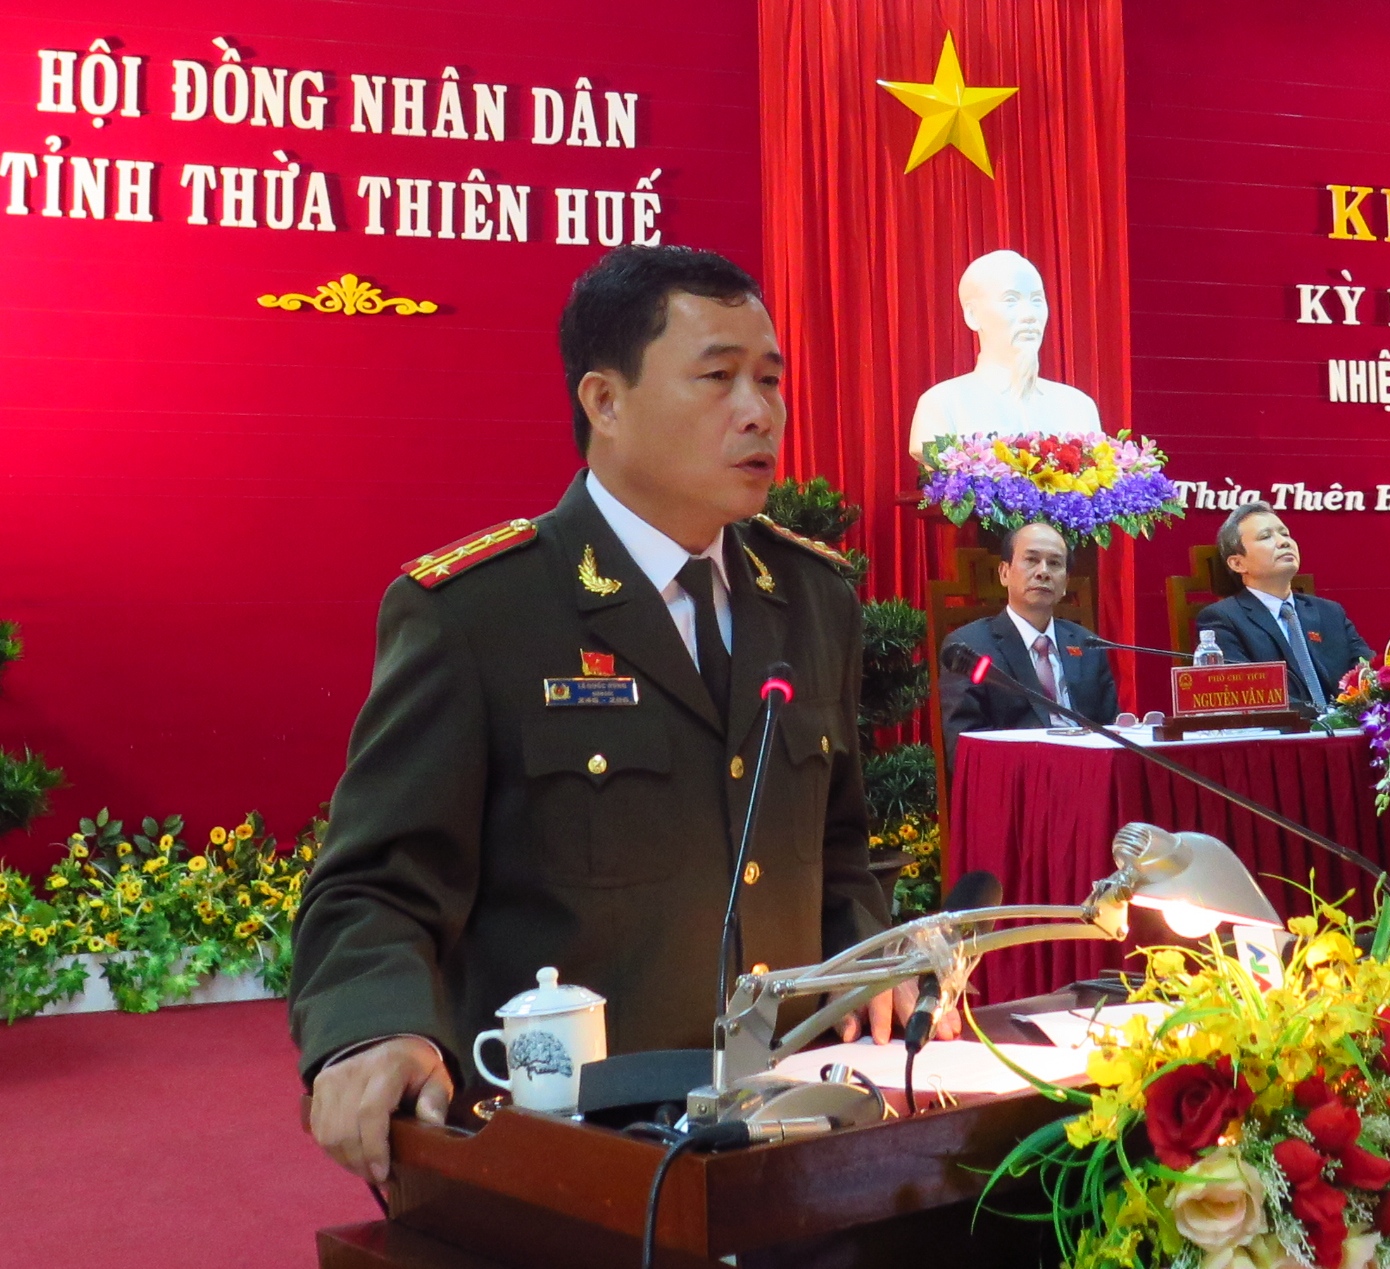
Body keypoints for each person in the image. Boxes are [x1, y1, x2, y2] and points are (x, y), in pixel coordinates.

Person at [290, 245, 956, 1187]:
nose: (760, 411)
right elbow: (374, 884)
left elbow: (835, 851)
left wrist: (871, 960)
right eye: (718, 377)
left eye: (770, 380)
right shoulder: (483, 613)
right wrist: (372, 1027)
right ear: (605, 401)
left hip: (790, 1132)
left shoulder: (812, 599)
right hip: (572, 1152)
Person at [939, 521, 1118, 764]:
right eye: (1031, 560)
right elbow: (964, 750)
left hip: (1090, 772)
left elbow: (1110, 727)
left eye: (1054, 563)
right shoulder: (971, 647)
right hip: (1020, 777)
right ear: (1004, 573)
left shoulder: (1087, 645)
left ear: (1065, 583)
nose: (1043, 572)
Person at [907, 250, 1102, 462]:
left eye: (1037, 300)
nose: (1029, 315)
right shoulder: (943, 405)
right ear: (972, 315)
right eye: (1011, 300)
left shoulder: (1079, 407)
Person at [1194, 502, 1372, 709]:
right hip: (1281, 727)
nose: (1283, 542)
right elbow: (1244, 694)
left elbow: (1368, 673)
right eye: (1266, 536)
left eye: (1285, 534)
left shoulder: (1330, 613)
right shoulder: (1222, 619)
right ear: (1238, 563)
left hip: (1348, 724)